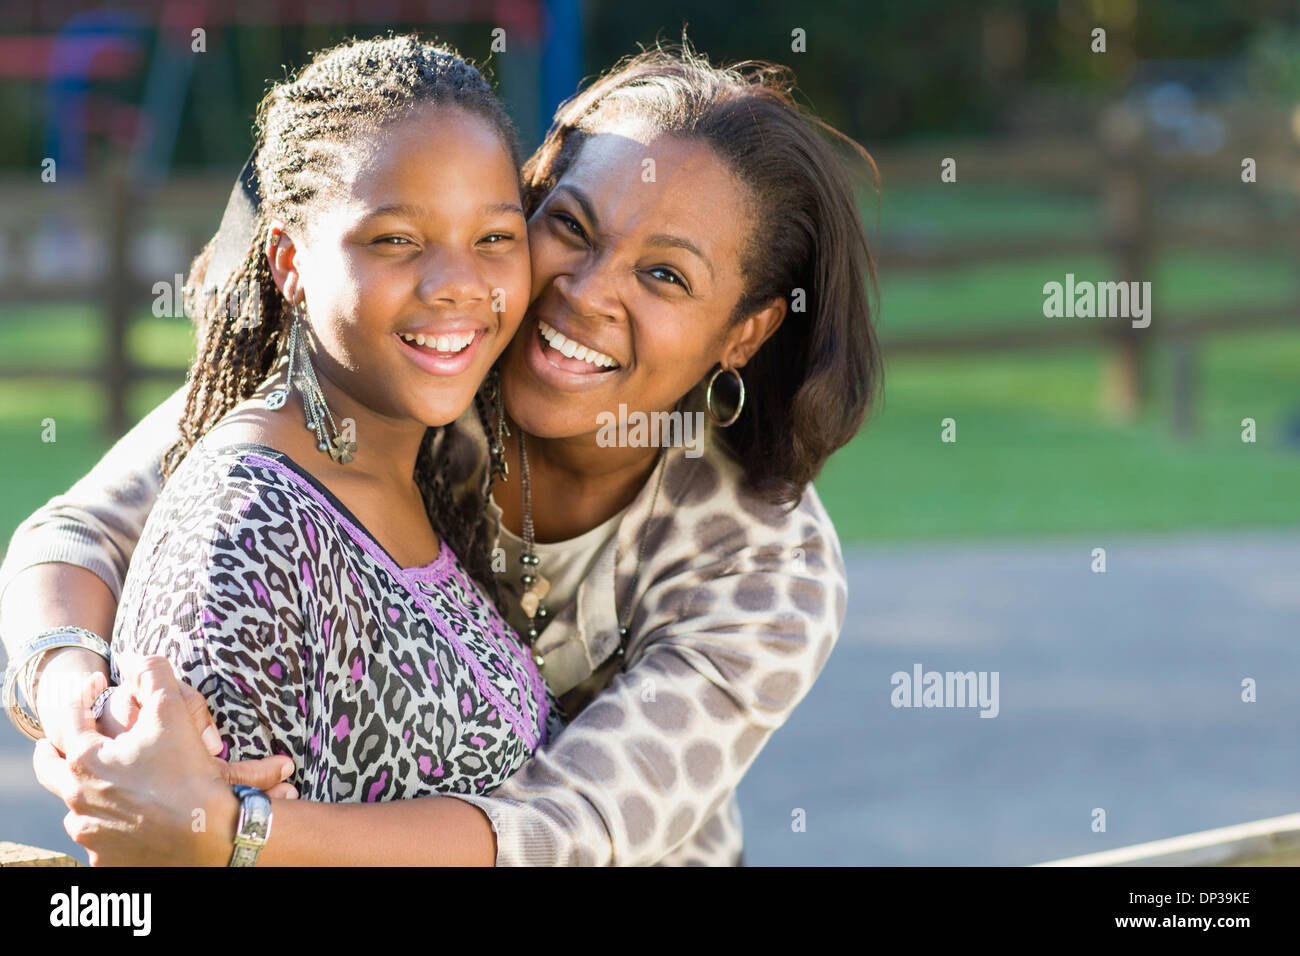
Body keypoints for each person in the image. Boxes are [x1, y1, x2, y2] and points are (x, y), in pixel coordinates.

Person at [5, 44, 883, 866]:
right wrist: (92, 722)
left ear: (746, 330)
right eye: (571, 227)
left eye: (665, 276)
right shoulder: (424, 359)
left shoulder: (767, 567)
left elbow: (565, 828)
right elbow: (80, 531)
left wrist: (230, 830)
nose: (582, 294)